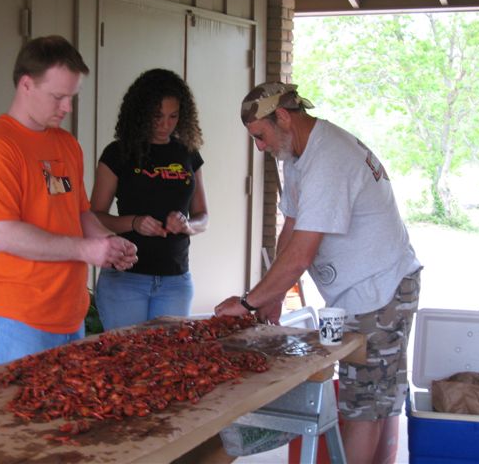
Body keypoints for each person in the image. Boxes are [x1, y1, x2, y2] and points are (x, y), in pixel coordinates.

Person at [215, 82, 422, 464]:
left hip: (381, 290)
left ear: (282, 117)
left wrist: (247, 303)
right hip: (358, 289)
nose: (259, 147)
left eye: (260, 136)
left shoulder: (328, 159)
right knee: (370, 397)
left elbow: (300, 256)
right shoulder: (295, 156)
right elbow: (290, 228)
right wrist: (272, 296)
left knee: (365, 406)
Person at [0, 35, 137, 369]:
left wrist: (107, 242)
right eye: (58, 96)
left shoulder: (66, 144)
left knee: (60, 420)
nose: (67, 108)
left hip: (69, 314)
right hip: (17, 319)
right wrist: (86, 251)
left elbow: (79, 213)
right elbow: (3, 235)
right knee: (16, 421)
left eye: (72, 97)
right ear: (26, 85)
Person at [90, 69, 208, 330]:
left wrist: (187, 225)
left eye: (173, 116)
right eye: (157, 116)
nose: (166, 124)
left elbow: (203, 217)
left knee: (168, 363)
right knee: (127, 364)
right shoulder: (118, 153)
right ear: (141, 114)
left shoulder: (187, 153)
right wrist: (134, 222)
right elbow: (95, 215)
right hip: (125, 279)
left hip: (175, 280)